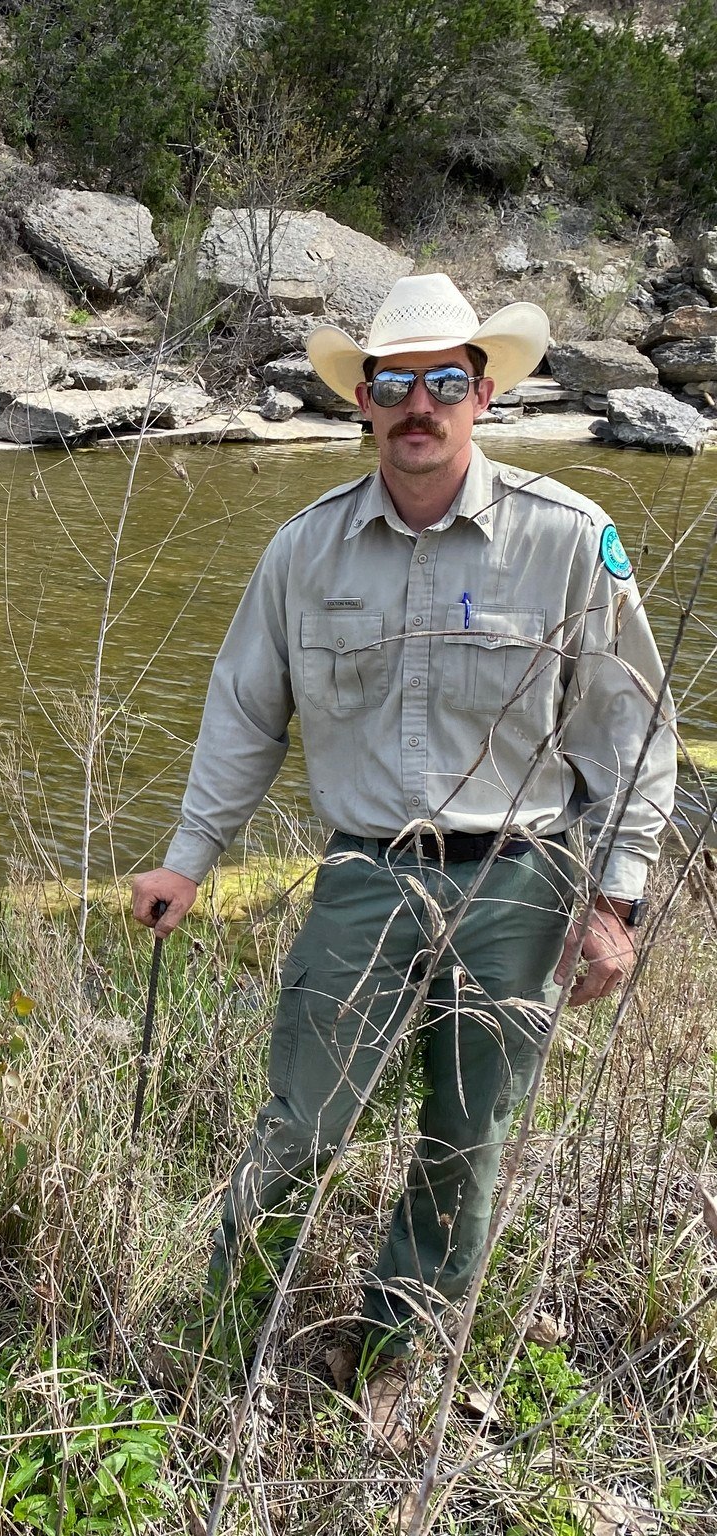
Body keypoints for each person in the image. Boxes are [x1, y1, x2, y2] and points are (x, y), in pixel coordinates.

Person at [132, 274, 675, 1403]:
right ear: (363, 403)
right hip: (365, 876)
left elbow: (631, 732)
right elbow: (243, 717)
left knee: (465, 1144)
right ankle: (226, 1324)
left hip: (524, 885)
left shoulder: (572, 538)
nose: (417, 406)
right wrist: (188, 859)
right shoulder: (303, 551)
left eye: (442, 383)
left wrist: (615, 901)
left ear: (483, 393)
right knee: (305, 1120)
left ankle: (388, 1358)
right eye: (393, 385)